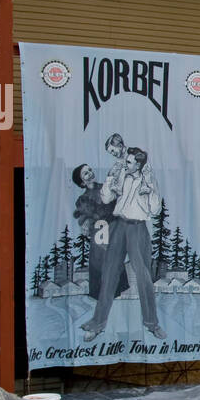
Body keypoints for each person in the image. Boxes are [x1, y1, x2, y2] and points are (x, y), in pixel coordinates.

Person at [83, 146, 166, 341]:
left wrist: (150, 189)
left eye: (129, 162)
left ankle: (152, 324)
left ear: (138, 164)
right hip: (119, 225)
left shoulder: (148, 180)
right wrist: (111, 178)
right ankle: (97, 324)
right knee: (109, 272)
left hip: (138, 228)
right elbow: (105, 198)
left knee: (144, 276)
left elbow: (155, 210)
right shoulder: (121, 174)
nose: (125, 164)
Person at [71, 163, 128, 302]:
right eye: (85, 173)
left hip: (113, 228)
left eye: (89, 169)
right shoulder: (82, 199)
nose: (89, 173)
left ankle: (117, 294)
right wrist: (87, 219)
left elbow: (115, 204)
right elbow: (90, 216)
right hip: (99, 234)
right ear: (82, 182)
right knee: (99, 262)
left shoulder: (105, 187)